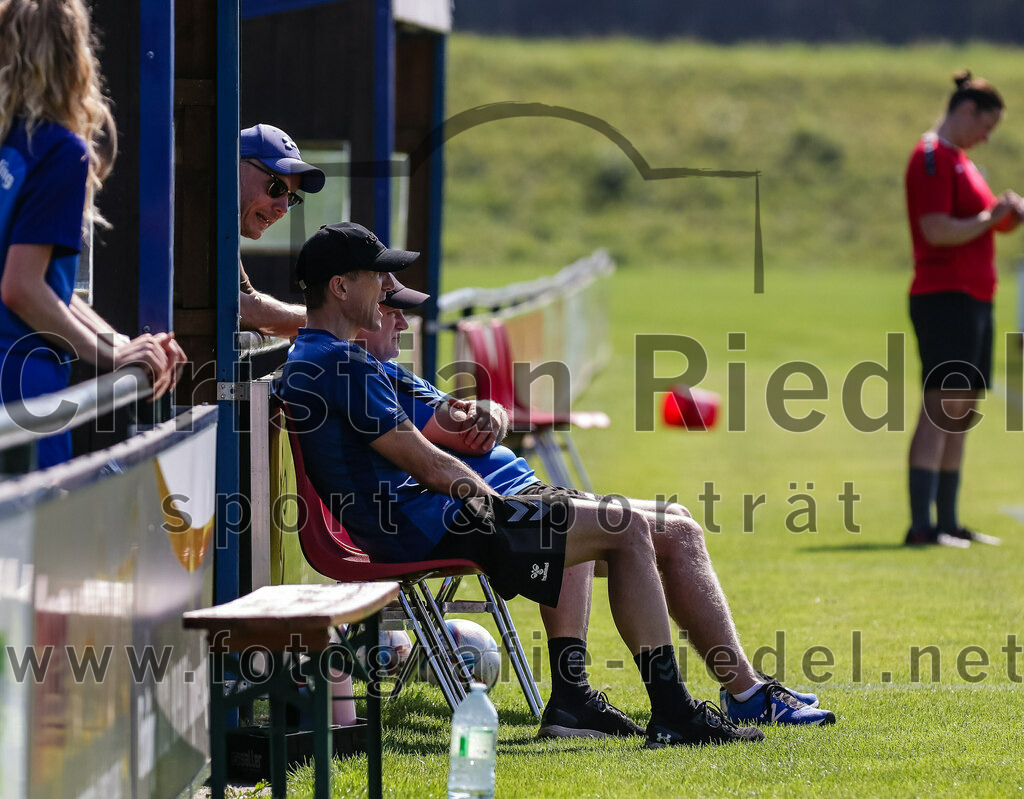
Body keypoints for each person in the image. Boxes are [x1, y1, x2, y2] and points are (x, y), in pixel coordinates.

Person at [279, 223, 836, 750]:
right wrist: (500, 507)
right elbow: (427, 464)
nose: (387, 294)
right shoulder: (334, 363)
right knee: (626, 529)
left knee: (635, 526)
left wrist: (508, 483)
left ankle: (600, 702)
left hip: (431, 517)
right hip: (424, 525)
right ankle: (671, 710)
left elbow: (433, 449)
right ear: (341, 285)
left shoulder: (337, 358)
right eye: (378, 278)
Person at [0, 0, 184, 468]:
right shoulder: (60, 150)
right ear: (74, 52)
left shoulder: (12, 142)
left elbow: (47, 285)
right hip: (23, 386)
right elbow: (21, 288)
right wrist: (111, 357)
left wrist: (119, 342)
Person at [903, 71, 1023, 548]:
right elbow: (935, 229)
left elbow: (975, 226)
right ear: (967, 110)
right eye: (986, 125)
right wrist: (992, 216)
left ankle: (949, 520)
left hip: (975, 296)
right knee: (939, 409)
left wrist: (1002, 219)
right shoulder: (932, 158)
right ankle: (921, 525)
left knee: (963, 410)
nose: (987, 137)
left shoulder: (964, 162)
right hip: (944, 296)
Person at [237, 123, 325, 337]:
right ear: (235, 166)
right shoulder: (197, 216)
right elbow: (239, 308)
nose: (283, 209)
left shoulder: (223, 232)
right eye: (276, 187)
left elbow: (249, 297)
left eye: (291, 197)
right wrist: (332, 320)